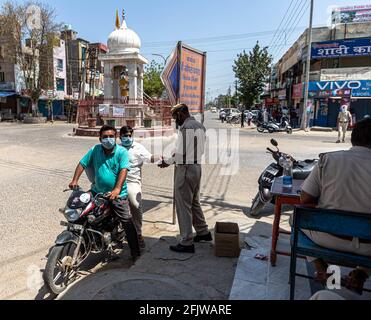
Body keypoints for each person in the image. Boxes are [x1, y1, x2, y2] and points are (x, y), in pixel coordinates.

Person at [300, 118, 371, 294]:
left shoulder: (328, 160)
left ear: (352, 137)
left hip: (328, 238)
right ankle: (361, 274)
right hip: (369, 246)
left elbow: (305, 199)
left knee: (297, 218)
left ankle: (322, 268)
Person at [69, 125, 140, 259]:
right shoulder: (95, 149)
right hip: (97, 191)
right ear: (100, 138)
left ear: (116, 137)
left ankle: (135, 252)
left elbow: (123, 170)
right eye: (105, 137)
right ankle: (85, 243)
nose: (108, 139)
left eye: (111, 136)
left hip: (117, 194)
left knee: (127, 220)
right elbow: (82, 163)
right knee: (81, 213)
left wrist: (117, 189)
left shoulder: (122, 152)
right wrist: (74, 180)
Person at [159, 103, 211, 254]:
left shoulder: (187, 128)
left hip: (186, 169)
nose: (176, 120)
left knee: (183, 205)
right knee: (194, 202)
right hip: (196, 167)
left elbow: (181, 153)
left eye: (176, 117)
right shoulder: (200, 126)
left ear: (181, 114)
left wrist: (166, 162)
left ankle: (186, 241)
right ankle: (203, 232)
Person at [120, 126, 161, 249]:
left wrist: (160, 157)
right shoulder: (116, 148)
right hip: (117, 182)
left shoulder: (138, 148)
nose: (127, 138)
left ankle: (138, 234)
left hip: (132, 182)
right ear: (120, 136)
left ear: (132, 135)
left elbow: (149, 157)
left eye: (129, 135)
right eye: (124, 135)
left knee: (135, 205)